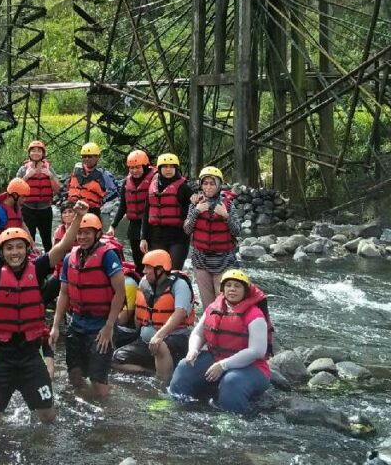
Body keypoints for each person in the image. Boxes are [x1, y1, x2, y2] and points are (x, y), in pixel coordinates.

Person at [0, 198, 89, 423]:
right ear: (2, 251)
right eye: (9, 248)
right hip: (3, 356)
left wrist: (78, 217)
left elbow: (62, 247)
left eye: (20, 247)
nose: (15, 252)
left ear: (27, 249)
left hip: (31, 355)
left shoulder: (38, 267)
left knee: (48, 416)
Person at [169, 269, 273, 413]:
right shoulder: (214, 308)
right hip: (216, 358)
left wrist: (224, 365)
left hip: (251, 367)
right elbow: (198, 333)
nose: (232, 289)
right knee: (184, 367)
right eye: (228, 285)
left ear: (245, 291)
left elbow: (257, 351)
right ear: (222, 289)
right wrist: (193, 349)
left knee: (231, 381)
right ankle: (175, 402)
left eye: (237, 286)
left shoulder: (255, 315)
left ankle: (230, 419)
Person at [50, 213, 126, 399]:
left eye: (87, 233)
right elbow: (64, 293)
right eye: (79, 233)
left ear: (98, 234)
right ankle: (84, 406)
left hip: (101, 326)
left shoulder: (108, 256)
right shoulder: (70, 258)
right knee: (74, 377)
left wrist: (109, 326)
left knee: (98, 382)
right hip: (77, 324)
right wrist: (55, 325)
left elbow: (120, 292)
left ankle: (105, 416)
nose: (82, 237)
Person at [112, 250, 194, 382]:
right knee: (116, 359)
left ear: (160, 270)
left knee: (159, 344)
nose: (144, 271)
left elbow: (180, 313)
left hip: (176, 338)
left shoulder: (179, 284)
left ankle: (163, 384)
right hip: (147, 341)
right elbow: (138, 316)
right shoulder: (144, 282)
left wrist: (159, 335)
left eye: (148, 267)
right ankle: (152, 373)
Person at [184, 165, 240, 310]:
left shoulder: (228, 205)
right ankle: (210, 329)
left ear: (218, 185)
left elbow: (237, 231)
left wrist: (225, 216)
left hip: (224, 259)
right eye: (205, 183)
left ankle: (224, 329)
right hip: (201, 259)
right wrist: (196, 212)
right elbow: (186, 229)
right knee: (209, 306)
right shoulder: (195, 204)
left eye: (212, 183)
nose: (208, 187)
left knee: (222, 304)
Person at [140, 153, 192, 271]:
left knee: (174, 272)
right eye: (165, 166)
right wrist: (143, 238)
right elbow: (146, 213)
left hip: (178, 238)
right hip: (156, 237)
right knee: (158, 272)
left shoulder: (185, 188)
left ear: (176, 168)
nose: (168, 169)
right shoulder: (152, 187)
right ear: (159, 169)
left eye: (171, 166)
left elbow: (193, 212)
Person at [107, 149, 154, 272]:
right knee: (138, 262)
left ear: (145, 165)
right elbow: (123, 206)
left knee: (151, 261)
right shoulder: (126, 183)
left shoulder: (155, 180)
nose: (134, 171)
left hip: (152, 226)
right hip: (134, 226)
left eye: (137, 167)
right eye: (131, 168)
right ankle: (139, 284)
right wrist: (113, 225)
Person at [15, 140, 61, 250]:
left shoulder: (49, 169)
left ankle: (49, 264)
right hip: (27, 208)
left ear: (43, 154)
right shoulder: (23, 169)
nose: (36, 153)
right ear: (29, 153)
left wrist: (50, 176)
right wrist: (26, 177)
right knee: (28, 239)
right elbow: (14, 190)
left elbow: (58, 189)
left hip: (45, 209)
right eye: (33, 151)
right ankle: (29, 262)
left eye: (39, 151)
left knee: (47, 240)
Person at [66, 141, 115, 216]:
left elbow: (114, 192)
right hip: (73, 209)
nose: (87, 159)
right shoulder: (76, 169)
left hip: (92, 212)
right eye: (84, 156)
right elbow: (68, 185)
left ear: (97, 157)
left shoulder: (104, 174)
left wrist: (102, 200)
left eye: (90, 156)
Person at [0, 178, 32, 254]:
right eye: (23, 197)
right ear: (15, 195)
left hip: (12, 249)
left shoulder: (16, 208)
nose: (25, 200)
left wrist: (32, 245)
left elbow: (23, 226)